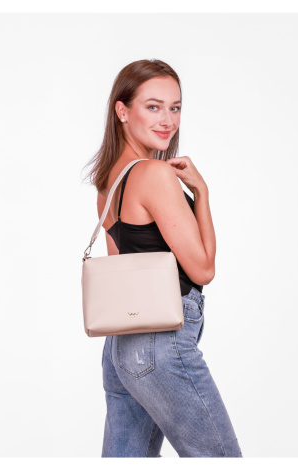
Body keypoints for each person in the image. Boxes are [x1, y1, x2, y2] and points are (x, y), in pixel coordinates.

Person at [83, 59, 243, 458]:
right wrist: (201, 192)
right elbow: (203, 268)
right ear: (122, 111)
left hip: (121, 349)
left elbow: (121, 272)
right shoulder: (154, 175)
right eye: (153, 107)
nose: (167, 120)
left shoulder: (107, 184)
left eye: (175, 107)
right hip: (160, 343)